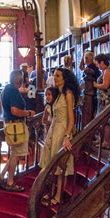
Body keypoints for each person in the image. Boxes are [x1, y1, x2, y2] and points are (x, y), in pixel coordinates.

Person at [40, 67, 80, 205]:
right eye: (54, 75)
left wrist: (67, 136)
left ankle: (57, 196)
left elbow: (71, 118)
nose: (54, 78)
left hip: (62, 130)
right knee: (52, 163)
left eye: (57, 76)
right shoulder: (59, 94)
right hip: (54, 128)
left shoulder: (68, 94)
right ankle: (51, 192)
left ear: (64, 79)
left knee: (60, 165)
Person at [0, 69, 35, 192]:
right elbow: (14, 111)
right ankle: (10, 182)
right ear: (19, 80)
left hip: (11, 125)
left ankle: (1, 176)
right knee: (16, 154)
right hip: (16, 126)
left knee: (14, 153)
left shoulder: (6, 89)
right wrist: (28, 112)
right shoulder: (13, 91)